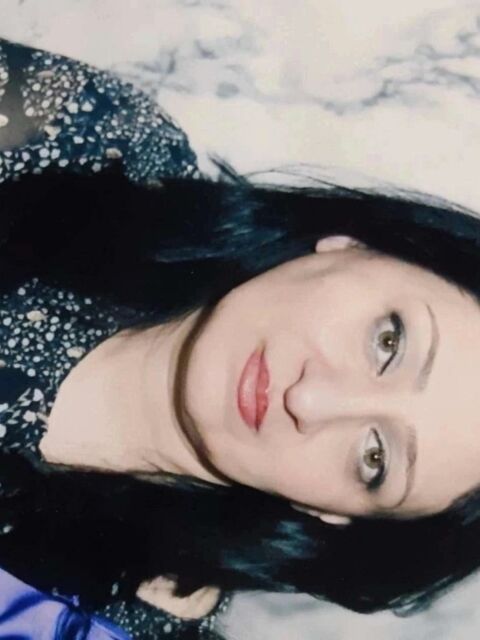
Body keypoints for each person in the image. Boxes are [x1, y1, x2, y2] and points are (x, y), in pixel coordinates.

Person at [2, 36, 480, 640]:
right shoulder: (92, 135)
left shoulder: (95, 626)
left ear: (332, 515)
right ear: (358, 246)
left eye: (374, 458)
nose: (310, 401)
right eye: (388, 343)